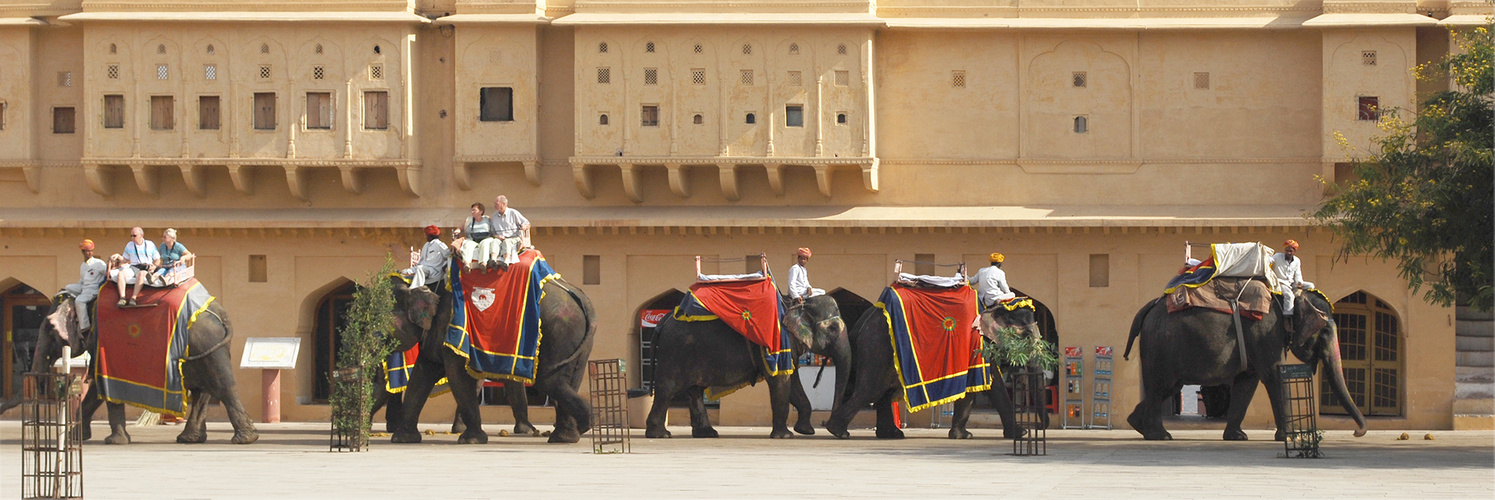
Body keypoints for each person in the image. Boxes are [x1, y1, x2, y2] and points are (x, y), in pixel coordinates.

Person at [62, 239, 108, 332]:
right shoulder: (83, 265)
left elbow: (107, 274)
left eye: (91, 251)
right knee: (68, 287)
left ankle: (84, 326)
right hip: (84, 287)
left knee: (79, 301)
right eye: (87, 251)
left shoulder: (98, 263)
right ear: (83, 252)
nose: (89, 253)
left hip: (93, 289)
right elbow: (82, 280)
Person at [1271, 239, 1315, 319]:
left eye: (1290, 251)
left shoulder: (1297, 261)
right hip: (1281, 282)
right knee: (1289, 296)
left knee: (1311, 286)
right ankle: (1288, 317)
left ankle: (1299, 301)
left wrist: (1299, 282)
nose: (1288, 253)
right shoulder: (1277, 256)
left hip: (1291, 283)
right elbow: (1269, 260)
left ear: (1294, 251)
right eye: (1287, 251)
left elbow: (1298, 273)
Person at [118, 227, 160, 306]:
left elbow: (158, 259)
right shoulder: (129, 245)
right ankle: (122, 298)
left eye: (134, 236)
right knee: (121, 274)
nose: (132, 238)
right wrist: (117, 256)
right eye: (131, 236)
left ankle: (133, 298)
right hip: (134, 266)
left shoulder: (150, 244)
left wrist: (154, 266)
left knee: (141, 274)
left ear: (141, 235)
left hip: (146, 266)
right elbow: (125, 259)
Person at [490, 195, 531, 270]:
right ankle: (493, 260)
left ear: (503, 204)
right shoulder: (494, 216)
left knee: (507, 242)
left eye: (497, 203)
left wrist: (524, 226)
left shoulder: (513, 212)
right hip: (499, 238)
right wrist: (497, 237)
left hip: (513, 238)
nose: (495, 205)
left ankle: (506, 261)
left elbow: (527, 224)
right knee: (494, 241)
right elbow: (492, 233)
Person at [455, 203, 497, 271]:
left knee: (485, 244)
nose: (472, 212)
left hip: (486, 238)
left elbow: (495, 227)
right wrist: (457, 231)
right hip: (473, 239)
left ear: (481, 211)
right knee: (467, 245)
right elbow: (460, 228)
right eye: (472, 210)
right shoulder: (469, 220)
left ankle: (483, 263)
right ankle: (467, 264)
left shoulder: (487, 219)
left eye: (474, 210)